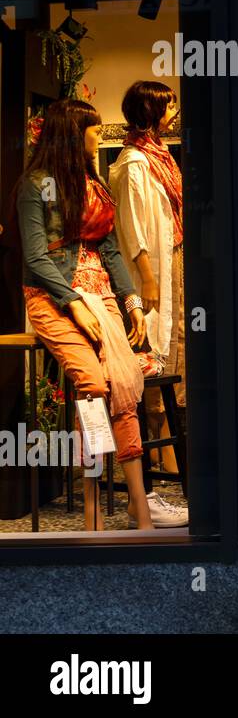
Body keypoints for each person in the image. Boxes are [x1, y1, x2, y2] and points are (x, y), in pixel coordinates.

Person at [12, 99, 184, 530]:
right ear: (73, 134)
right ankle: (92, 509)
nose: (98, 135)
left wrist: (131, 303)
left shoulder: (92, 182)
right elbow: (35, 256)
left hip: (102, 297)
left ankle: (138, 508)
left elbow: (107, 247)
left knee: (124, 386)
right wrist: (72, 302)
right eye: (91, 129)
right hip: (56, 298)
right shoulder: (38, 184)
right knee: (92, 383)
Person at [109, 81, 188, 479]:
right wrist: (148, 279)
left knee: (173, 352)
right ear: (150, 111)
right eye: (167, 106)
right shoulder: (133, 163)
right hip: (150, 271)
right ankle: (156, 454)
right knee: (153, 354)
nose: (172, 113)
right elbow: (132, 226)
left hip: (171, 260)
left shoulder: (159, 157)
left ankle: (166, 450)